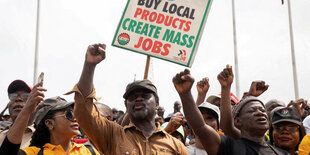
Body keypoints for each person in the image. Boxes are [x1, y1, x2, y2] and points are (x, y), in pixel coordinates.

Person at [66, 43, 187, 154]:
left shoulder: (176, 146)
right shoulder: (113, 135)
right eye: (133, 97)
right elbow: (84, 111)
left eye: (145, 96)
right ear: (126, 106)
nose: (138, 99)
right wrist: (89, 65)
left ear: (156, 104)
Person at [172, 66, 288, 155]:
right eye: (252, 111)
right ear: (237, 121)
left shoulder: (281, 153)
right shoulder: (230, 147)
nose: (260, 113)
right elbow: (200, 127)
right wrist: (185, 94)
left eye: (262, 110)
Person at [0, 94, 100, 155]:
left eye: (76, 114)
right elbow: (7, 152)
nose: (75, 119)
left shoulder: (89, 151)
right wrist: (27, 108)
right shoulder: (34, 153)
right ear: (49, 123)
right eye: (69, 114)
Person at [0, 80, 34, 148]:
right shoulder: (1, 134)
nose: (18, 99)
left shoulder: (46, 136)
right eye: (13, 96)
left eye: (25, 96)